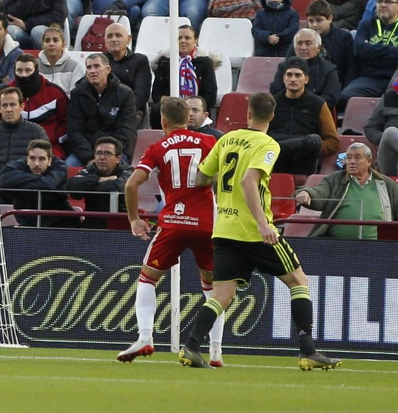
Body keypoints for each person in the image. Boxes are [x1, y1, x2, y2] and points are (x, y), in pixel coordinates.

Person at [186, 92, 341, 369]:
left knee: (222, 295)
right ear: (272, 116)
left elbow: (201, 177)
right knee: (298, 281)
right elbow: (249, 181)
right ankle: (308, 350)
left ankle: (191, 347)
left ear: (247, 114)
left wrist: (221, 188)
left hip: (224, 228)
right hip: (253, 231)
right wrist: (262, 223)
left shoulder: (226, 140)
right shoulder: (268, 144)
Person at [120, 96, 221, 362]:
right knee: (213, 289)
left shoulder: (158, 147)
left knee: (147, 278)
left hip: (174, 223)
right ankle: (216, 352)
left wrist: (134, 219)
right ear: (188, 118)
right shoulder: (210, 142)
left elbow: (131, 185)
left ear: (163, 121)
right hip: (208, 225)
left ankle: (144, 338)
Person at [295, 141, 398, 239]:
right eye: (348, 158)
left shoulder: (386, 184)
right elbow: (320, 192)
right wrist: (307, 193)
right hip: (336, 245)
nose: (352, 162)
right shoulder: (335, 179)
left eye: (357, 158)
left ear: (369, 161)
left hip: (379, 247)